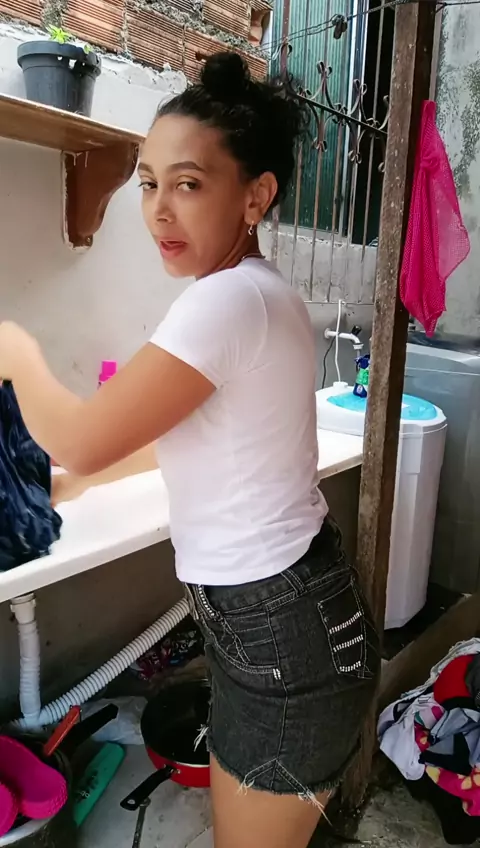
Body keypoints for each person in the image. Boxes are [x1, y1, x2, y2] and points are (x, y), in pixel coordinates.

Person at [0, 52, 380, 848]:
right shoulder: (259, 293)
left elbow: (82, 433)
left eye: (189, 184)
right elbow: (189, 434)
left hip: (282, 638)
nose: (159, 211)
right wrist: (71, 484)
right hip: (288, 619)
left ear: (256, 196)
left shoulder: (227, 301)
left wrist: (14, 350)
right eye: (148, 183)